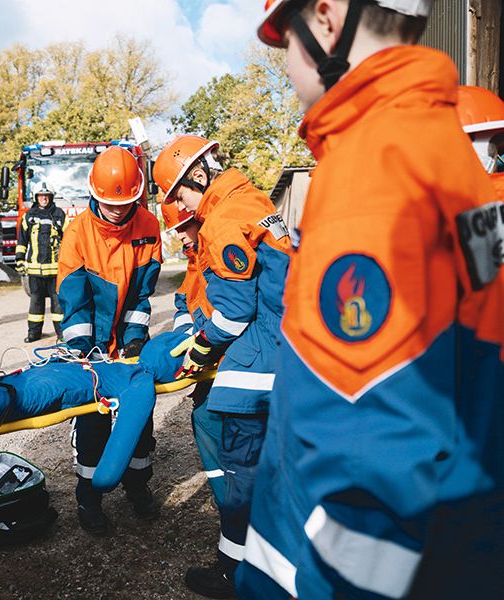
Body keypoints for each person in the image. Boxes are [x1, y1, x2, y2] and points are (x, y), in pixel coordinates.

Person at [236, 2, 504, 599]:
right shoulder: (439, 146)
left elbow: (371, 468)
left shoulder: (374, 172)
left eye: (286, 45)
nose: (287, 68)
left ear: (327, 18)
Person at [154, 134, 291, 597]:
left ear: (195, 177)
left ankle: (236, 574)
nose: (182, 210)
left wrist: (201, 347)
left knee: (242, 472)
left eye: (179, 197)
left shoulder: (221, 221)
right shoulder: (254, 201)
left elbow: (233, 311)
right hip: (288, 353)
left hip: (259, 362)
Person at [57, 145, 162, 535]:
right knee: (93, 423)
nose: (117, 210)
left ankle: (138, 489)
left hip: (127, 344)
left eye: (126, 203)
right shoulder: (78, 232)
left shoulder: (149, 228)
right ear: (94, 195)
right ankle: (89, 498)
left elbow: (141, 296)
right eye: (108, 203)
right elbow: (73, 299)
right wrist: (85, 351)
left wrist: (134, 339)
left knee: (140, 420)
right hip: (90, 345)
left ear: (138, 195)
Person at [160, 200, 226, 508]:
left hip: (237, 357)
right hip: (217, 353)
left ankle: (236, 496)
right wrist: (186, 333)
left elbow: (234, 312)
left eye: (184, 227)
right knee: (204, 415)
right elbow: (183, 302)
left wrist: (202, 344)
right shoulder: (195, 256)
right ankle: (227, 493)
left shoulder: (220, 250)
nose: (181, 237)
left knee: (213, 416)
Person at [15, 183, 66, 342]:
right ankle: (33, 334)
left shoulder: (59, 215)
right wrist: (19, 260)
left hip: (56, 270)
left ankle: (62, 334)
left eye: (46, 195)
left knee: (58, 305)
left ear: (51, 196)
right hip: (35, 270)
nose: (43, 198)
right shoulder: (29, 216)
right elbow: (22, 241)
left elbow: (69, 240)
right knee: (36, 303)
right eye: (40, 195)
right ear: (36, 197)